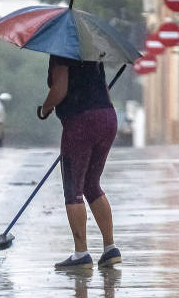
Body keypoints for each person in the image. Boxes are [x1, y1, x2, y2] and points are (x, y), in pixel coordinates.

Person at [39, 55, 121, 271]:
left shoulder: (61, 51)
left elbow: (60, 89)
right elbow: (104, 88)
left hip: (80, 122)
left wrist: (44, 109)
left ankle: (81, 253)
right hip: (107, 118)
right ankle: (110, 248)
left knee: (73, 187)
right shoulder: (90, 48)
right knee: (91, 184)